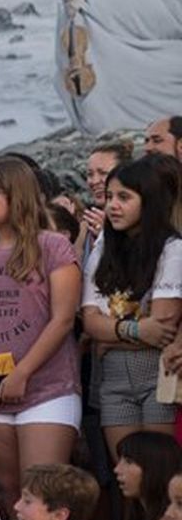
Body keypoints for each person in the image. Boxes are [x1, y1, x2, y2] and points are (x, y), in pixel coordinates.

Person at [0, 157, 81, 511]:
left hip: (47, 388)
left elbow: (62, 320)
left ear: (19, 196)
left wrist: (22, 372)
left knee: (42, 492)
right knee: (9, 493)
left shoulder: (53, 246)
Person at [86, 155, 182, 457]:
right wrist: (137, 329)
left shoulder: (172, 249)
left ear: (148, 201)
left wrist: (111, 337)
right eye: (110, 197)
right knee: (126, 474)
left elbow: (164, 326)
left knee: (161, 472)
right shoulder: (104, 246)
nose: (112, 205)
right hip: (112, 379)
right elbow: (89, 321)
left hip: (158, 373)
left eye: (124, 197)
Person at [85, 142, 134, 255]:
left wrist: (109, 235)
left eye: (103, 173)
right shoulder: (86, 223)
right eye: (90, 174)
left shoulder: (141, 224)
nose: (94, 181)